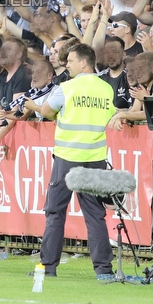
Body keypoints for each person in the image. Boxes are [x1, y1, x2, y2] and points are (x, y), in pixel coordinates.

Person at [37, 43, 116, 280]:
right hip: (94, 158)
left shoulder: (67, 87)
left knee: (55, 213)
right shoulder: (106, 89)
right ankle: (103, 270)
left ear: (83, 62)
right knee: (95, 215)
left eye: (70, 61)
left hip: (67, 159)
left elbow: (47, 111)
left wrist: (38, 108)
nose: (66, 65)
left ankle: (48, 267)